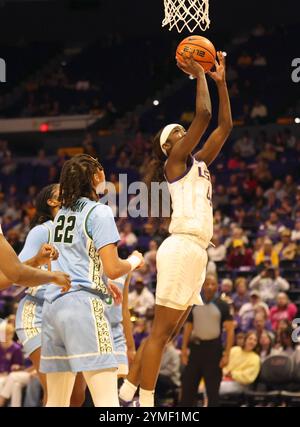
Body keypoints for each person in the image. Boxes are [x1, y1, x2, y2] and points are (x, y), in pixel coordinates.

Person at [119, 52, 232, 407]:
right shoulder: (176, 163)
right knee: (158, 335)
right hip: (182, 247)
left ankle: (121, 398)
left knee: (164, 336)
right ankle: (147, 406)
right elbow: (204, 115)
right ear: (169, 146)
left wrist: (221, 82)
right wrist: (199, 74)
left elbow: (224, 127)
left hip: (197, 251)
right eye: (179, 134)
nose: (187, 135)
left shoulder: (198, 163)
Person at [39, 154, 144, 407]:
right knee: (107, 402)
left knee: (56, 402)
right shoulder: (99, 211)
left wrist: (99, 280)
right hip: (83, 308)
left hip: (52, 309)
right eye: (102, 170)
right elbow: (114, 267)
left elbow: (64, 262)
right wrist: (134, 262)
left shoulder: (60, 214)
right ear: (96, 176)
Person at [15, 184, 86, 406]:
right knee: (56, 393)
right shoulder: (43, 231)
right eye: (62, 190)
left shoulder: (82, 231)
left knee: (76, 397)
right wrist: (39, 262)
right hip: (37, 312)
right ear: (52, 202)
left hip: (71, 315)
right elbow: (17, 273)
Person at [180, 275, 235, 407]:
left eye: (213, 284)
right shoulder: (194, 303)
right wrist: (183, 350)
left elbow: (230, 330)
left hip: (214, 351)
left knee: (212, 392)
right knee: (187, 390)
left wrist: (227, 354)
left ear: (217, 286)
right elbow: (188, 328)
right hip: (196, 349)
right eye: (207, 284)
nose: (210, 286)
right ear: (202, 286)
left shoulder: (223, 305)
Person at [0, 224, 70, 291]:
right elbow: (16, 275)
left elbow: (6, 277)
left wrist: (36, 261)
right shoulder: (42, 230)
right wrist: (54, 277)